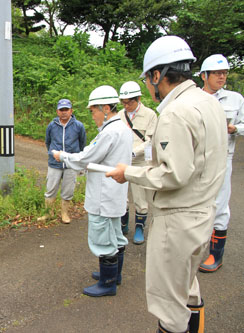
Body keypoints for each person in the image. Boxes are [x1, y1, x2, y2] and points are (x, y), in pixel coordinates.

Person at [106, 36, 227, 333]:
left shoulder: (175, 112)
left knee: (169, 307)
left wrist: (129, 173)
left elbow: (174, 174)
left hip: (178, 220)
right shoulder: (208, 103)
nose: (148, 86)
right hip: (203, 213)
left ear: (158, 75)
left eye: (148, 78)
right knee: (187, 290)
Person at [53, 86, 132, 297]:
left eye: (93, 110)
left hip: (103, 195)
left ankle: (108, 283)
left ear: (106, 108)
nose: (92, 115)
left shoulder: (109, 132)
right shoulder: (123, 128)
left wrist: (63, 156)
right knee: (115, 234)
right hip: (115, 194)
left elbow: (86, 157)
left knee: (103, 237)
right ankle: (115, 275)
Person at [198, 54, 244, 273]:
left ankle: (216, 254)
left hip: (223, 157)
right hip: (197, 157)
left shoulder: (235, 99)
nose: (221, 77)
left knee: (219, 203)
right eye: (216, 73)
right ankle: (195, 247)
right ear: (204, 76)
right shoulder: (195, 98)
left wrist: (235, 129)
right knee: (195, 202)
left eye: (224, 73)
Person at [118, 81, 158, 244]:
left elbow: (150, 140)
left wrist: (135, 152)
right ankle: (123, 225)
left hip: (140, 161)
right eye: (124, 102)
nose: (126, 105)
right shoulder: (120, 115)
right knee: (121, 196)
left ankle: (140, 228)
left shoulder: (150, 115)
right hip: (122, 161)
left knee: (140, 198)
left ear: (139, 98)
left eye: (130, 102)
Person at [41, 99, 86, 224]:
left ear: (71, 111)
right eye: (61, 110)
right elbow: (48, 142)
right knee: (50, 188)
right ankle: (48, 213)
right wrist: (52, 154)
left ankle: (64, 213)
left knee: (68, 190)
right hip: (54, 163)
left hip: (71, 163)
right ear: (57, 111)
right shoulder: (52, 125)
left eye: (66, 110)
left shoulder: (78, 126)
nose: (64, 112)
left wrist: (78, 160)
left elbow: (82, 143)